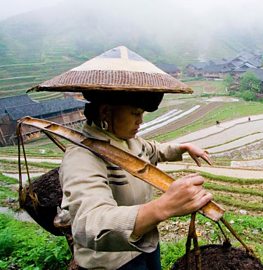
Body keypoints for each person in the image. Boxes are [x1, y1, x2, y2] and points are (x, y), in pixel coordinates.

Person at [30, 46, 213, 269]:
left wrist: (182, 148)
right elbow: (90, 223)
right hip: (112, 260)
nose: (140, 121)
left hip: (144, 243)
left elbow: (152, 150)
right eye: (135, 113)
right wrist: (162, 207)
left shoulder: (128, 140)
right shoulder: (82, 157)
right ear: (106, 112)